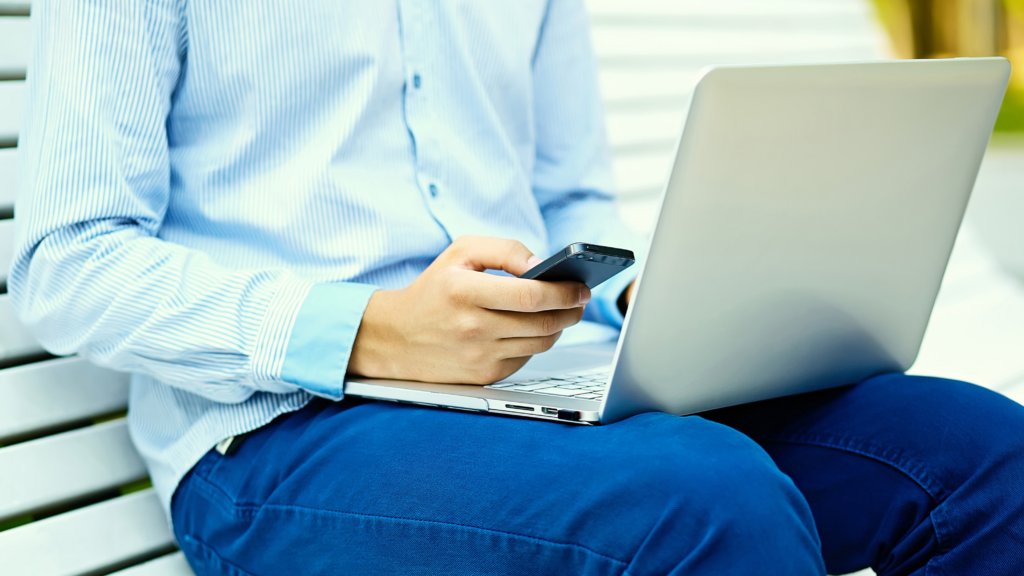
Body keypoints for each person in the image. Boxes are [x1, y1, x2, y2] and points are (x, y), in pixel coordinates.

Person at [10, 2, 1024, 575]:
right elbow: (65, 260)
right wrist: (367, 330)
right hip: (275, 438)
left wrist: (662, 298)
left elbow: (570, 196)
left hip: (542, 385)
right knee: (706, 499)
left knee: (980, 455)